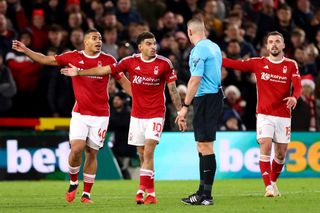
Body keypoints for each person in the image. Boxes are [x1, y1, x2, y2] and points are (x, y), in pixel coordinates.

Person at [60, 31, 182, 205]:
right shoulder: (129, 62)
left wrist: (180, 111)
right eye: (149, 43)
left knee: (148, 151)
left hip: (156, 113)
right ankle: (152, 193)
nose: (153, 46)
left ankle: (140, 192)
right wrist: (79, 73)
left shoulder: (164, 63)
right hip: (137, 114)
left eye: (154, 43)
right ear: (140, 47)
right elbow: (105, 70)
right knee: (142, 154)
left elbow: (173, 90)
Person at [12, 29, 131, 204]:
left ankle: (86, 195)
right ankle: (73, 182)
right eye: (94, 38)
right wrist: (27, 50)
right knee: (76, 149)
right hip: (80, 113)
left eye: (99, 38)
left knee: (92, 153)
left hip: (100, 115)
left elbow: (122, 81)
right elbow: (46, 59)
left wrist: (139, 98)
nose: (98, 41)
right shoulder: (73, 57)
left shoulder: (108, 60)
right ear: (85, 42)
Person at [222, 31, 302, 197]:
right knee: (265, 145)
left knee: (280, 154)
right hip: (264, 114)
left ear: (283, 45)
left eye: (277, 41)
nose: (274, 44)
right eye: (271, 41)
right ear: (266, 46)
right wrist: (216, 58)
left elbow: (298, 86)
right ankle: (268, 188)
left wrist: (294, 97)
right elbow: (235, 64)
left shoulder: (291, 65)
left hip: (284, 115)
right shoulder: (258, 63)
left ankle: (273, 182)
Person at [176, 17, 224, 206]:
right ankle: (202, 191)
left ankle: (206, 196)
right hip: (213, 97)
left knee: (205, 146)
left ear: (189, 32)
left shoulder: (199, 50)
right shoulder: (214, 47)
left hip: (206, 99)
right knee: (202, 146)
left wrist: (185, 106)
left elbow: (195, 79)